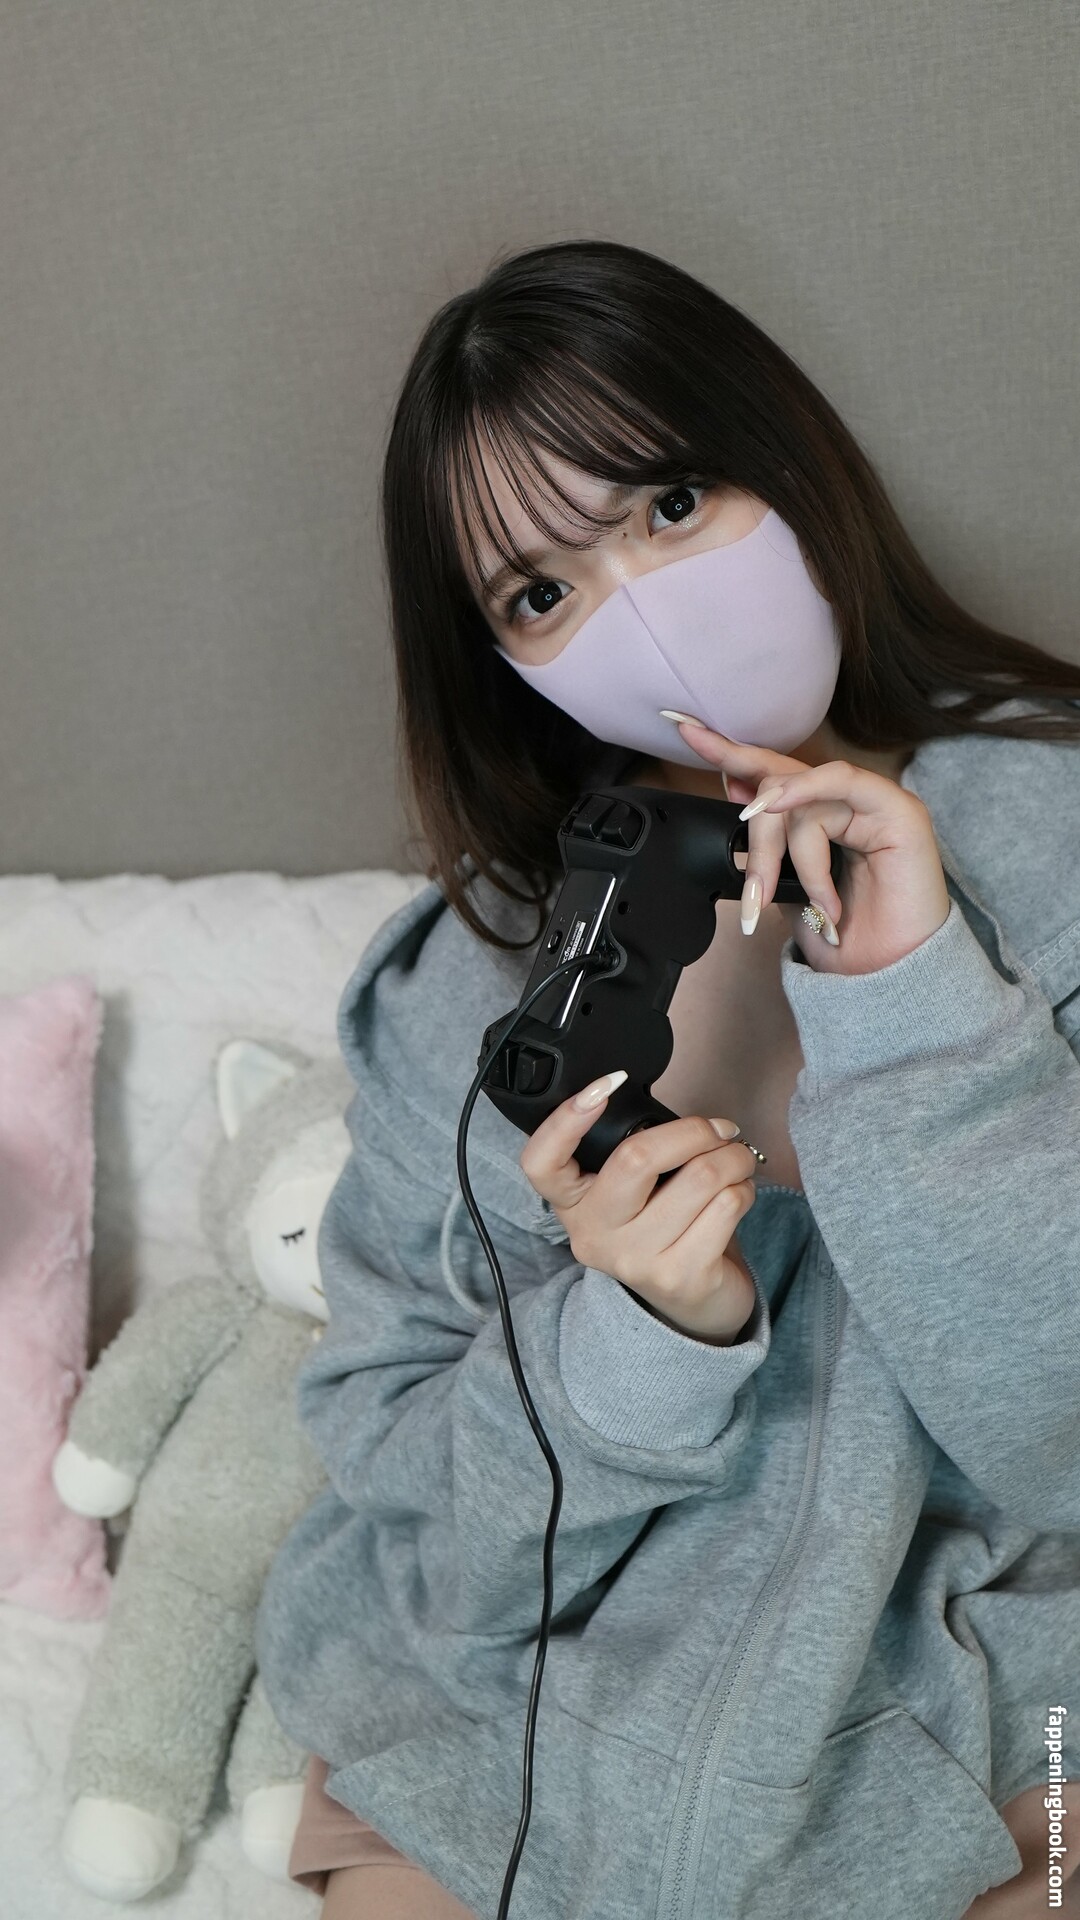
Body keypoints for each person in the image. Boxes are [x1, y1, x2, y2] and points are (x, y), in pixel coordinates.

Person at [255, 239, 1080, 1919]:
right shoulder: (466, 976)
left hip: (974, 1739)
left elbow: (1063, 1443)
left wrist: (925, 1016)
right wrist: (636, 1340)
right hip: (487, 1735)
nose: (641, 605)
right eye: (538, 592)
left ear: (792, 467)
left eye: (672, 504)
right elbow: (411, 1491)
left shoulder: (1053, 852)